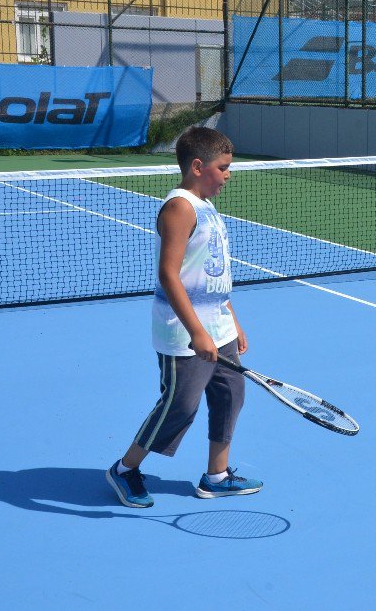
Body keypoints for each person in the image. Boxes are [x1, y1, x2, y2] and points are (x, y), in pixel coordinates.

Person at [106, 126, 262, 507]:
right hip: (182, 331)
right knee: (180, 405)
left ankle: (216, 475)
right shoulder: (180, 207)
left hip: (218, 324)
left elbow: (211, 272)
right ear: (197, 166)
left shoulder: (207, 206)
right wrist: (197, 332)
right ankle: (125, 469)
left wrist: (231, 319)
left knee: (230, 394)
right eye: (223, 167)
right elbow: (169, 274)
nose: (228, 175)